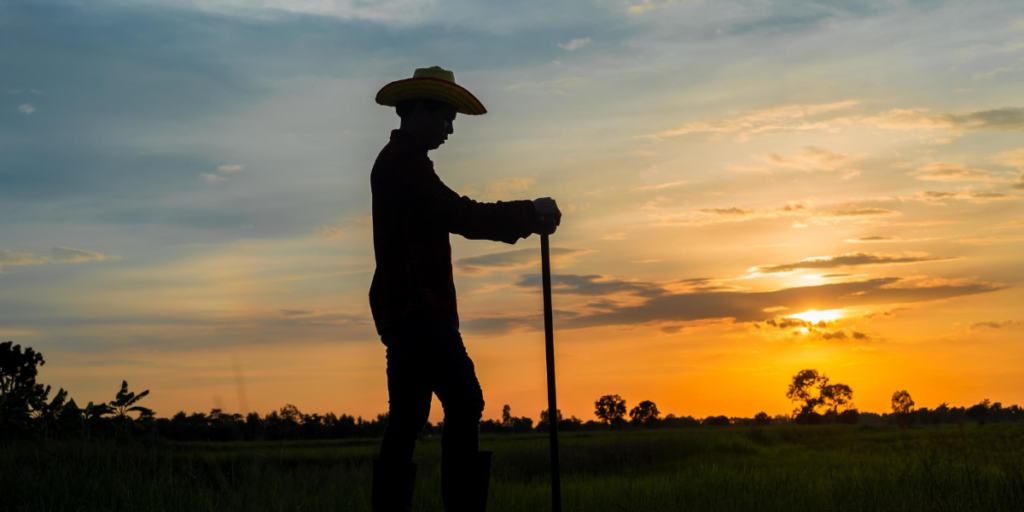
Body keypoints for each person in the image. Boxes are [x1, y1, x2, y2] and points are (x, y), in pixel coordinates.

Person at [368, 66, 561, 512]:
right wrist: (528, 213)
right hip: (419, 309)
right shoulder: (403, 165)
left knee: (408, 417)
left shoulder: (404, 163)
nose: (451, 129)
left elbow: (452, 215)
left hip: (404, 310)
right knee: (464, 399)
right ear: (419, 111)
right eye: (446, 118)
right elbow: (460, 216)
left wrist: (526, 218)